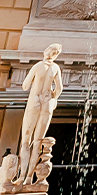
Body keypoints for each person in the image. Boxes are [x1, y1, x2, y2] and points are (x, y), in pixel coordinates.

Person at [18, 44, 64, 184]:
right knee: (38, 142)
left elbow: (25, 86)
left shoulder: (38, 66)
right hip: (47, 102)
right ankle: (29, 177)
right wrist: (53, 98)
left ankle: (21, 176)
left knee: (26, 142)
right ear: (56, 55)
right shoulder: (56, 68)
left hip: (35, 101)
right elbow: (60, 88)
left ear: (46, 52)